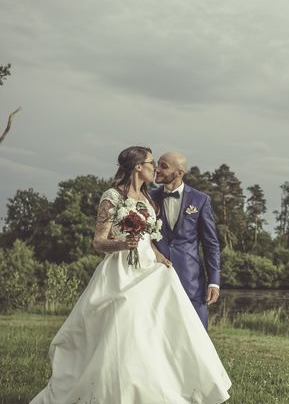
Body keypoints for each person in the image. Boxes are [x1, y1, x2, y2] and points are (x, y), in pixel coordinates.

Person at [30, 146, 231, 404]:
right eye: (151, 163)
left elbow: (163, 239)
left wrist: (158, 257)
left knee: (160, 333)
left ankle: (169, 385)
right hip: (123, 270)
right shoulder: (113, 196)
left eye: (160, 165)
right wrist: (123, 244)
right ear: (138, 167)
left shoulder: (151, 198)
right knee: (125, 327)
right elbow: (98, 242)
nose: (155, 168)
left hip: (155, 270)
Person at [151, 151, 221, 329]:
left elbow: (210, 244)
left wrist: (214, 281)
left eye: (163, 166)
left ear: (179, 172)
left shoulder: (200, 200)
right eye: (157, 164)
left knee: (196, 331)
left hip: (191, 279)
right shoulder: (149, 198)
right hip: (155, 275)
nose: (156, 169)